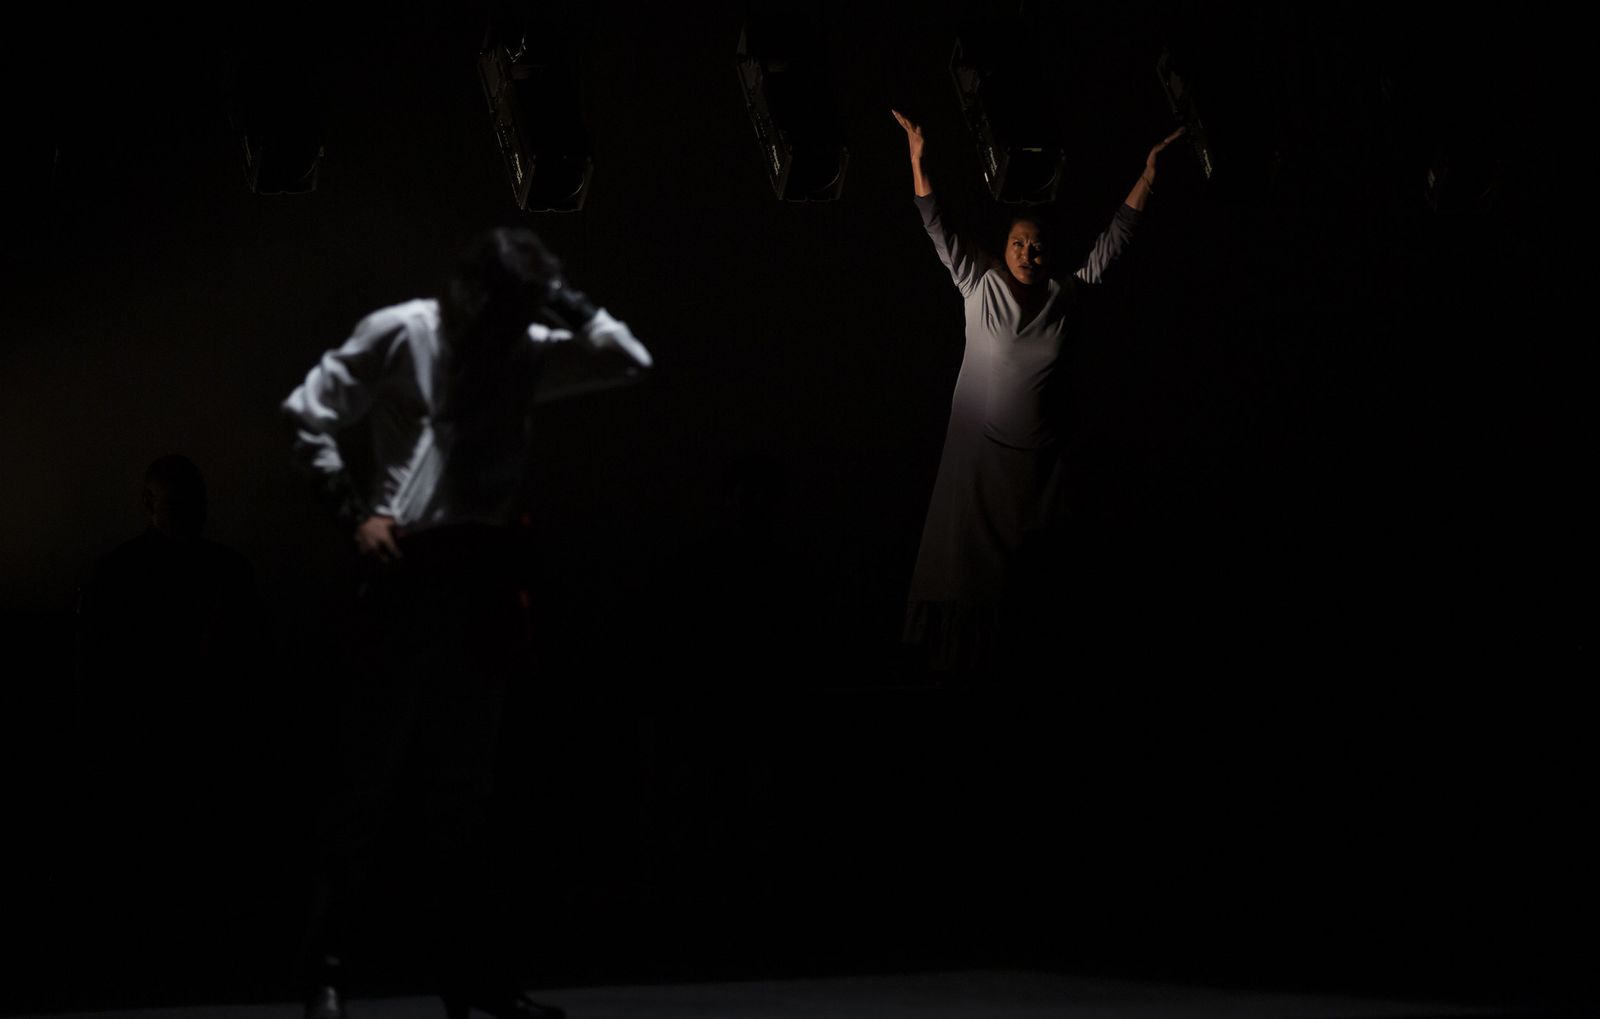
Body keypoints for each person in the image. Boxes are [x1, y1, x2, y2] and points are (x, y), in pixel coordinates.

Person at [281, 226, 651, 1019]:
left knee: (470, 792)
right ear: (473, 298)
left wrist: (563, 300)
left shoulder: (523, 348)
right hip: (406, 569)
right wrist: (353, 514)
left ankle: (470, 976)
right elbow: (307, 414)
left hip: (482, 575)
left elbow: (629, 360)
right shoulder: (402, 331)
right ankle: (325, 972)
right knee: (368, 782)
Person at [893, 108, 1185, 678]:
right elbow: (937, 225)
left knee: (1031, 588)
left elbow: (1114, 243)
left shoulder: (1064, 297)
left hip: (1038, 468)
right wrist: (917, 159)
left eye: (1037, 246)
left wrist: (1148, 176)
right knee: (967, 576)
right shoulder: (979, 284)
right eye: (1019, 243)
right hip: (980, 463)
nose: (1028, 253)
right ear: (1003, 249)